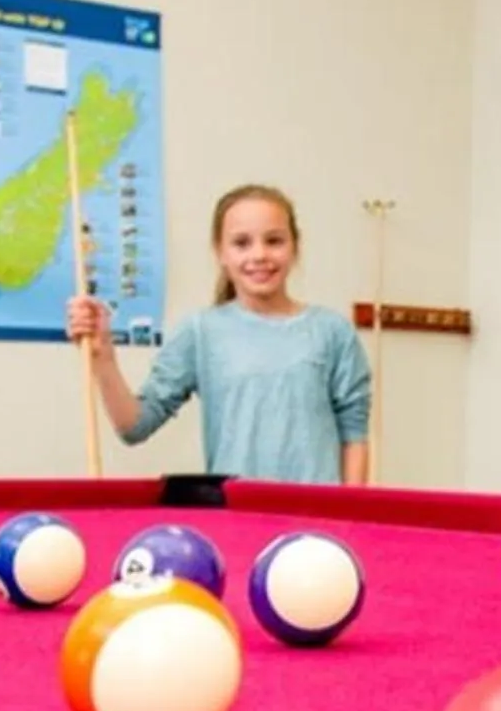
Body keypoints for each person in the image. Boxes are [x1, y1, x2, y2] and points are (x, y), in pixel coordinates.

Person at [67, 184, 373, 485]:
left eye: (274, 241)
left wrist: (348, 522)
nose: (260, 254)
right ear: (220, 253)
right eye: (242, 243)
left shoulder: (333, 331)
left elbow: (354, 436)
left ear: (295, 246)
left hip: (314, 525)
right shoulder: (201, 332)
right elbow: (133, 426)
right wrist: (102, 358)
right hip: (238, 522)